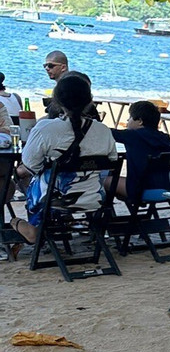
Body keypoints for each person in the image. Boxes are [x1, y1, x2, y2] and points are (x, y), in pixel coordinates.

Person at [7, 73, 117, 246]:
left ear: (56, 101)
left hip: (52, 200)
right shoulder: (103, 130)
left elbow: (30, 165)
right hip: (94, 198)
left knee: (26, 175)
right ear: (90, 100)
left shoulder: (46, 128)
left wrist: (17, 173)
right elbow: (111, 160)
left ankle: (37, 227)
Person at [107, 101, 170, 203]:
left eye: (130, 117)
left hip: (141, 189)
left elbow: (106, 132)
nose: (128, 120)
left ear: (140, 121)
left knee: (104, 181)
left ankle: (105, 214)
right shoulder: (165, 138)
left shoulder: (132, 136)